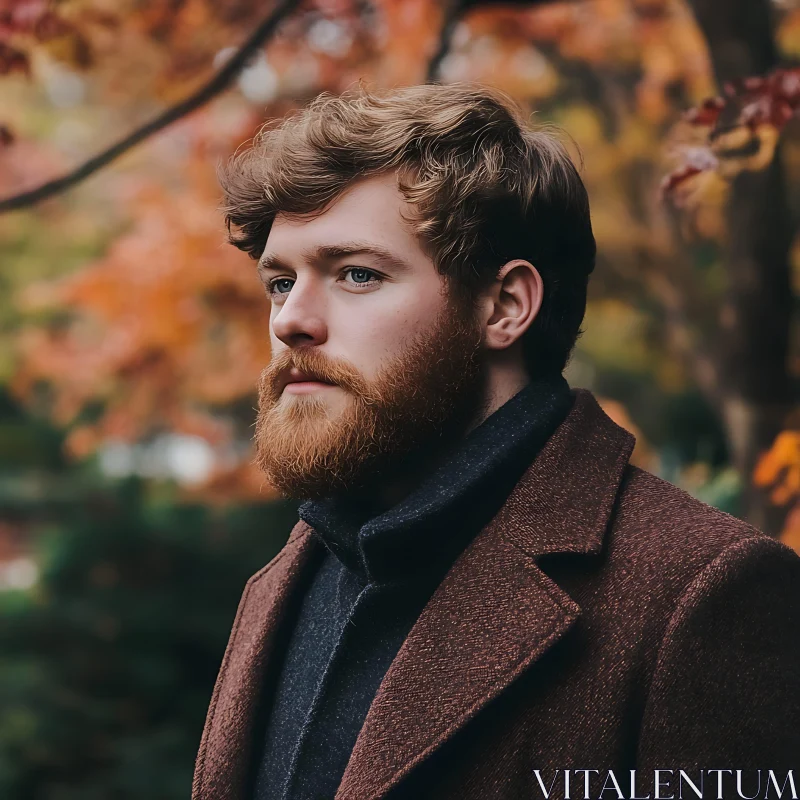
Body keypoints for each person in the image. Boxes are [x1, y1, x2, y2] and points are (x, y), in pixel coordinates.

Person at [191, 83, 800, 800]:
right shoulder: (283, 583)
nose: (292, 320)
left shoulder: (705, 594)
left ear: (506, 306)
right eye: (279, 282)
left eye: (356, 274)